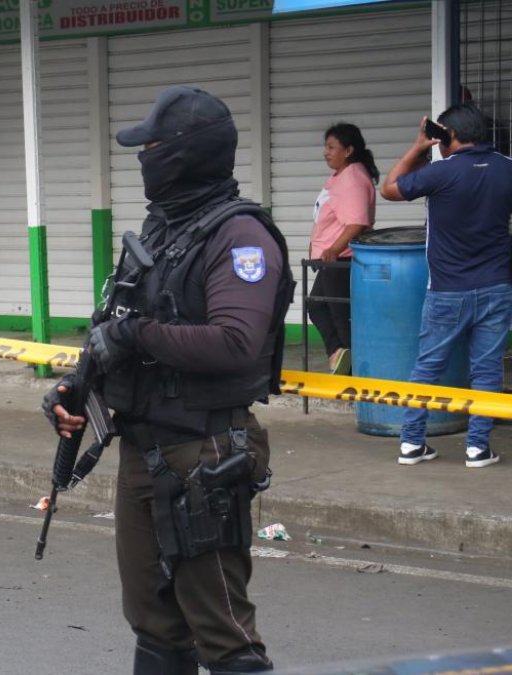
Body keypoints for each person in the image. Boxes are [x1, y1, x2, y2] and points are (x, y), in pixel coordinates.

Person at [43, 85, 292, 674]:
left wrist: (135, 337)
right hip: (143, 450)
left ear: (182, 156)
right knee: (154, 620)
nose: (143, 157)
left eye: (152, 146)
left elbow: (236, 341)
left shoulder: (240, 237)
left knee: (223, 633)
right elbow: (119, 322)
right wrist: (76, 392)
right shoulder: (161, 229)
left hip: (202, 452)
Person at [380, 103, 512, 468]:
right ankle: (477, 448)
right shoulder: (507, 168)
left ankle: (410, 444)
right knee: (486, 369)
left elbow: (388, 189)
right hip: (497, 286)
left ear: (448, 136)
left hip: (447, 290)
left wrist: (418, 147)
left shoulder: (440, 173)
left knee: (428, 367)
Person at [308, 123, 378, 375]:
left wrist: (333, 249)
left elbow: (357, 222)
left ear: (348, 150)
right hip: (329, 259)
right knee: (317, 306)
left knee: (340, 314)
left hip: (340, 260)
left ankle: (354, 369)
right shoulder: (340, 174)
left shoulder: (353, 179)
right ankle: (339, 354)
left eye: (331, 147)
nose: (326, 152)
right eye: (325, 147)